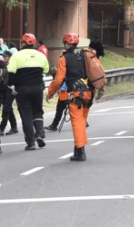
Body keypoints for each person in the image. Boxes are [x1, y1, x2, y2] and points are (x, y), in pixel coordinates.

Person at [46, 33, 94, 161]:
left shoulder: (64, 58)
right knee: (82, 121)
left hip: (76, 93)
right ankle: (80, 149)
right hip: (89, 93)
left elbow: (58, 80)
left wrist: (50, 92)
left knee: (77, 123)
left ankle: (79, 152)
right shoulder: (85, 55)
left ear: (66, 44)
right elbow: (95, 70)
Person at [7, 33, 49, 150]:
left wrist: (12, 85)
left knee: (26, 115)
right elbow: (46, 69)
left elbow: (10, 73)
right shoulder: (41, 55)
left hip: (22, 89)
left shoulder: (16, 56)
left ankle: (31, 142)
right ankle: (40, 134)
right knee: (37, 111)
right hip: (37, 88)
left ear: (22, 43)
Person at [0, 48, 19, 136]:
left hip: (11, 89)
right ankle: (14, 127)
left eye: (5, 56)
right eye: (3, 56)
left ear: (10, 57)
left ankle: (2, 127)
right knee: (9, 108)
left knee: (6, 109)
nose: (3, 58)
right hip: (4, 89)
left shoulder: (12, 66)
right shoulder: (2, 66)